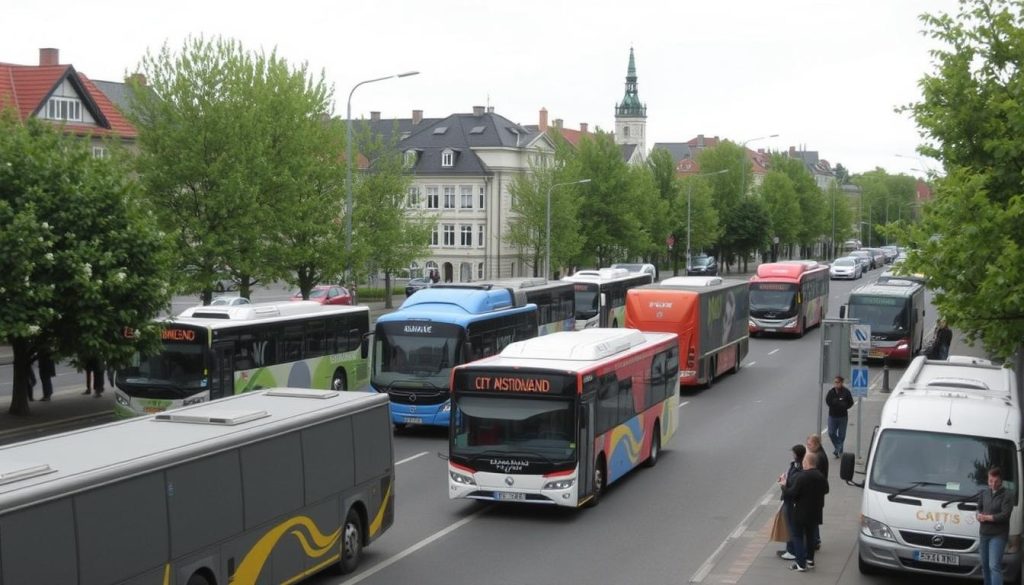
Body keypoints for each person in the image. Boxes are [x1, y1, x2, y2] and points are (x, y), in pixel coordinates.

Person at [779, 452, 828, 572]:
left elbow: (792, 493)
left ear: (806, 462)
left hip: (801, 512)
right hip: (815, 512)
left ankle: (801, 563)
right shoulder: (820, 476)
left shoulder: (802, 477)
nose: (803, 463)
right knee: (810, 536)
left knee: (797, 536)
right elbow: (826, 490)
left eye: (804, 461)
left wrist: (783, 485)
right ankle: (810, 561)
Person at [977, 466, 1015, 585]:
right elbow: (979, 508)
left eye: (996, 481)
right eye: (990, 481)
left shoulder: (1007, 495)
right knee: (984, 565)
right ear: (988, 479)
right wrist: (978, 515)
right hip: (984, 534)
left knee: (994, 566)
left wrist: (987, 517)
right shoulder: (984, 493)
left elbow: (1005, 515)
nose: (993, 484)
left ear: (1001, 481)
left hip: (998, 535)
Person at [775, 444, 807, 561]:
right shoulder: (795, 465)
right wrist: (785, 477)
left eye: (793, 453)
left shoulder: (800, 469)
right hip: (790, 502)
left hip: (792, 503)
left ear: (796, 455)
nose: (792, 455)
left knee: (792, 528)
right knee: (791, 527)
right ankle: (790, 549)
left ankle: (793, 552)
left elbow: (792, 489)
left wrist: (784, 484)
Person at [806, 434, 829, 549]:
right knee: (814, 517)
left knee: (812, 518)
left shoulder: (818, 457)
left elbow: (814, 475)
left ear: (816, 445)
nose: (808, 447)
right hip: (818, 493)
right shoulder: (819, 454)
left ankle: (814, 540)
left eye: (809, 444)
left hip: (815, 494)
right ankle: (816, 539)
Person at [824, 376, 854, 458]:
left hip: (842, 417)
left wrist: (844, 406)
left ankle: (839, 451)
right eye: (835, 382)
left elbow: (851, 402)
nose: (836, 384)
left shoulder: (846, 392)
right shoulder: (831, 392)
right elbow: (827, 401)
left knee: (842, 435)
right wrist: (834, 403)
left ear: (841, 383)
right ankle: (838, 447)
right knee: (831, 432)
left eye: (837, 382)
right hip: (832, 416)